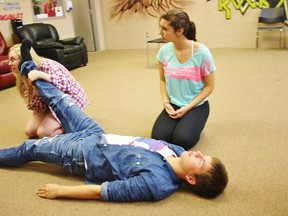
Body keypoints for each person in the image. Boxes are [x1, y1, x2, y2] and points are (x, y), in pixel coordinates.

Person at [0, 43, 228, 202]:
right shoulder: (178, 151)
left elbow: (105, 191)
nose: (198, 154)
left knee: (29, 148)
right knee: (58, 98)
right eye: (204, 155)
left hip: (81, 153)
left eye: (201, 161)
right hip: (96, 133)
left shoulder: (156, 183)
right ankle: (28, 67)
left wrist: (61, 191)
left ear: (190, 178)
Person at [151, 9, 216, 150]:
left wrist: (187, 108)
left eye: (164, 28)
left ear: (179, 31)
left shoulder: (202, 52)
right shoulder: (163, 51)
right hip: (173, 105)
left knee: (182, 140)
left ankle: (195, 123)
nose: (160, 32)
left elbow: (209, 87)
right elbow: (162, 80)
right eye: (160, 27)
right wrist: (166, 103)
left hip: (196, 106)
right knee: (158, 139)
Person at [8, 40, 89, 138]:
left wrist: (41, 75)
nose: (9, 64)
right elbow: (34, 106)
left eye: (13, 59)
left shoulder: (47, 64)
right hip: (48, 103)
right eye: (9, 60)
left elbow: (66, 84)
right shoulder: (21, 77)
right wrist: (35, 91)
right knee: (30, 131)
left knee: (43, 133)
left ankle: (73, 121)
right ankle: (54, 117)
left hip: (68, 98)